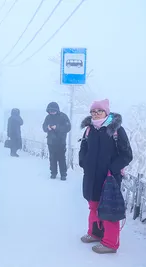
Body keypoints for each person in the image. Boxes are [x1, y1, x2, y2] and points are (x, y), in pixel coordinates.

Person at [79, 99, 133, 254]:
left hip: (109, 178)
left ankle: (110, 243)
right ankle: (95, 233)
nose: (95, 114)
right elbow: (83, 148)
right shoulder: (89, 129)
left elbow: (127, 155)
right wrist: (83, 162)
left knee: (109, 209)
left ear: (106, 112)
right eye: (93, 112)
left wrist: (112, 169)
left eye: (99, 111)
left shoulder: (116, 130)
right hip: (91, 176)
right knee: (94, 206)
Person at [42, 102, 71, 180]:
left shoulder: (63, 116)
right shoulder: (48, 117)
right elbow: (44, 127)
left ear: (57, 110)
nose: (52, 112)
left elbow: (68, 127)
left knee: (61, 158)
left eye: (53, 110)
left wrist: (57, 127)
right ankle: (53, 173)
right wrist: (47, 127)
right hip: (51, 142)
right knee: (52, 158)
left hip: (61, 142)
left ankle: (63, 174)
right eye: (50, 111)